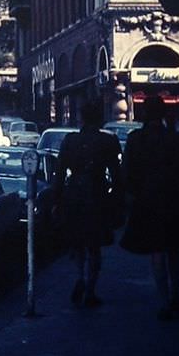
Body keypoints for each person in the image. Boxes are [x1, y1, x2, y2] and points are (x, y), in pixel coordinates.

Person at [121, 95, 179, 320]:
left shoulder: (135, 139)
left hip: (147, 202)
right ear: (163, 113)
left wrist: (128, 201)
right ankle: (176, 294)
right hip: (172, 200)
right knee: (174, 249)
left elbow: (127, 174)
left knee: (157, 251)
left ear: (145, 114)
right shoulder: (175, 138)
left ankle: (164, 300)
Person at [52, 100, 123, 308]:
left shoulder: (70, 141)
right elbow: (117, 174)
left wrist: (57, 199)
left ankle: (80, 276)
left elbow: (59, 172)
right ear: (99, 118)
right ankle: (90, 288)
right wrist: (118, 201)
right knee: (94, 244)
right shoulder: (107, 142)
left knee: (78, 242)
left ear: (81, 118)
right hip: (97, 194)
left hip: (73, 194)